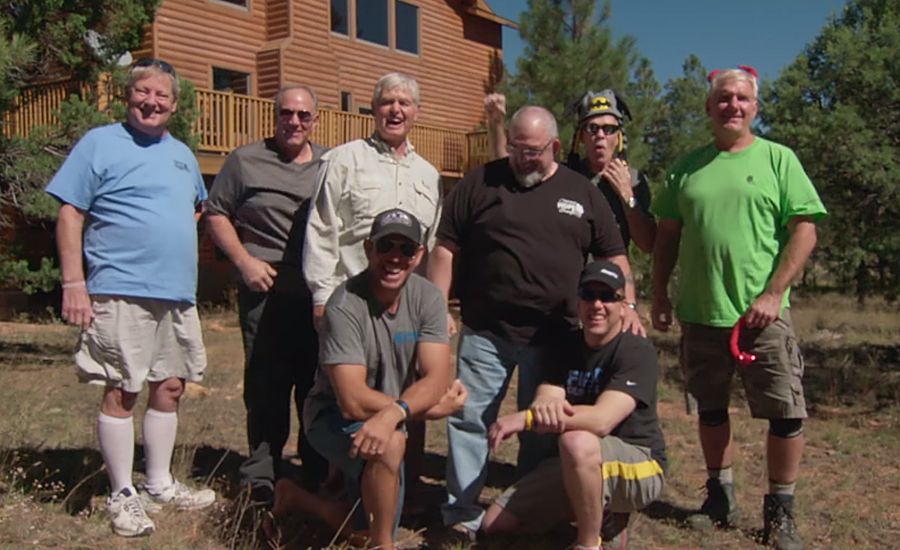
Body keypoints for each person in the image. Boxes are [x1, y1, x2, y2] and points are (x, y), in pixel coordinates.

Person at [429, 105, 643, 538]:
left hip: (554, 338)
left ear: (557, 147)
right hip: (487, 331)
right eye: (516, 149)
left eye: (534, 151)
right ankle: (461, 515)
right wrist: (435, 310)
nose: (524, 158)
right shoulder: (479, 182)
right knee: (470, 419)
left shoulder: (581, 191)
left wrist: (630, 306)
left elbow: (614, 255)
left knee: (542, 429)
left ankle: (525, 512)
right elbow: (444, 249)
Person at [651, 66, 826, 550]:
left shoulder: (778, 160)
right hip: (700, 313)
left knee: (786, 414)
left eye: (741, 98)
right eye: (723, 98)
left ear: (755, 107)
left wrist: (773, 294)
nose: (732, 105)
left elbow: (805, 230)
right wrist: (660, 294)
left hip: (762, 317)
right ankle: (719, 497)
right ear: (709, 108)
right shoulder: (686, 167)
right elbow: (666, 237)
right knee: (710, 409)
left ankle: (780, 512)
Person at [45, 58, 214, 537]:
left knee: (171, 387)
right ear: (128, 95)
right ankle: (122, 494)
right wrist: (75, 283)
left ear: (175, 104)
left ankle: (159, 482)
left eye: (162, 96)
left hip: (177, 296)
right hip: (119, 291)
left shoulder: (182, 153)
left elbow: (195, 209)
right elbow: (70, 213)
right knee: (123, 388)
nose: (152, 102)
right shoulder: (99, 143)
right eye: (143, 92)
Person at [303, 72, 442, 511]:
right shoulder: (344, 160)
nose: (395, 110)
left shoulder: (429, 174)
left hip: (406, 305)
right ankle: (339, 481)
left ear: (416, 112)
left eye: (404, 103)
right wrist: (322, 296)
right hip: (352, 302)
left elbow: (432, 244)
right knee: (347, 395)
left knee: (408, 386)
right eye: (386, 102)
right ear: (373, 108)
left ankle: (402, 484)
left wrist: (434, 304)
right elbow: (323, 229)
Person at [294, 208, 464, 550]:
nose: (395, 257)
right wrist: (417, 410)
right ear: (369, 248)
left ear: (418, 255)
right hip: (331, 416)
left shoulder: (429, 297)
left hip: (391, 415)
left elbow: (436, 378)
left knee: (359, 524)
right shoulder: (344, 304)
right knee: (391, 446)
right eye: (387, 246)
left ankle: (301, 498)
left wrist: (395, 413)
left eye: (406, 249)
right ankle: (383, 545)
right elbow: (352, 399)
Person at [482, 260, 666, 550]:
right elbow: (548, 394)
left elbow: (602, 420)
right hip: (579, 463)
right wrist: (542, 404)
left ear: (622, 305)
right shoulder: (566, 345)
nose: (597, 305)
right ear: (578, 302)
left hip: (639, 464)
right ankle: (600, 516)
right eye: (588, 295)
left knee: (576, 440)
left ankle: (589, 542)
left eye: (607, 297)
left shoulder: (636, 350)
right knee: (495, 523)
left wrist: (526, 419)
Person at [205, 85, 328, 500]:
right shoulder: (245, 160)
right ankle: (262, 470)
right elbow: (216, 213)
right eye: (286, 114)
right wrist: (243, 262)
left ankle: (317, 468)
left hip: (315, 291)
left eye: (303, 115)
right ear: (275, 116)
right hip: (265, 288)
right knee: (266, 383)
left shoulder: (330, 164)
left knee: (315, 381)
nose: (294, 122)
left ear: (315, 119)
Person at [484, 90, 656, 253]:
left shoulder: (634, 180)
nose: (601, 135)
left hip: (611, 279)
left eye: (609, 129)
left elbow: (648, 244)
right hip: (564, 280)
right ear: (581, 136)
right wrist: (496, 123)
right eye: (592, 128)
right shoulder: (562, 174)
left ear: (618, 136)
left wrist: (628, 198)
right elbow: (508, 172)